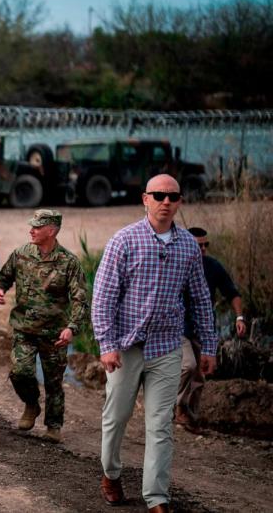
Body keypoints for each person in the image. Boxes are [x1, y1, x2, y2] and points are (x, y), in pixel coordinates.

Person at [92, 175, 216, 512]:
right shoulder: (124, 241)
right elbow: (103, 297)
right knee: (116, 417)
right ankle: (111, 473)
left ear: (179, 203)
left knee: (160, 424)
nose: (165, 201)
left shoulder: (189, 246)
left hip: (166, 347)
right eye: (158, 195)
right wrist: (107, 344)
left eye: (172, 197)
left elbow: (201, 299)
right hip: (125, 346)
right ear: (145, 199)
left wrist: (208, 346)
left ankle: (156, 497)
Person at [0, 209, 88, 443]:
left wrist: (72, 328)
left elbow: (80, 299)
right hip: (24, 328)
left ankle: (54, 426)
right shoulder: (21, 254)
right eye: (31, 225)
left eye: (37, 226)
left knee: (54, 381)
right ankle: (31, 404)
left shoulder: (68, 263)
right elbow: (2, 277)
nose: (31, 230)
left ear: (51, 231)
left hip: (55, 333)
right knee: (19, 372)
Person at [175, 226, 246, 434]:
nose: (204, 249)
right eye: (199, 245)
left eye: (206, 245)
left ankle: (191, 416)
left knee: (201, 373)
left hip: (204, 328)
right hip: (179, 327)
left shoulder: (213, 267)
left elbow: (232, 292)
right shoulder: (177, 265)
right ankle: (178, 407)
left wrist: (239, 317)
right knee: (188, 365)